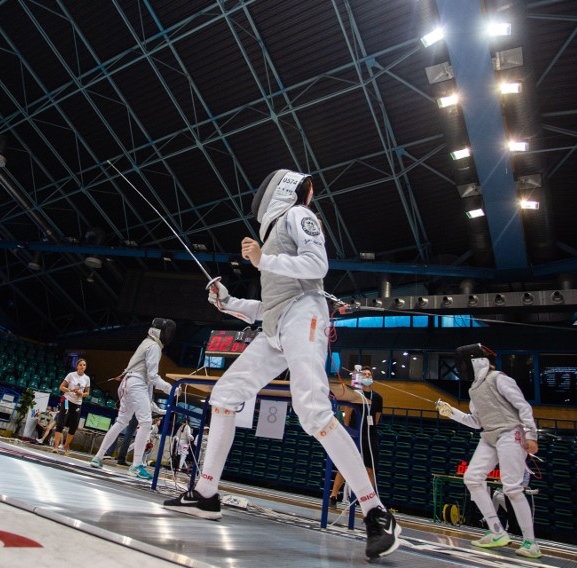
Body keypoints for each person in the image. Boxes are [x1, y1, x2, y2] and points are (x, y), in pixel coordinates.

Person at [162, 170, 400, 560]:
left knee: (313, 412)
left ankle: (376, 512)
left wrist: (262, 258)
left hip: (304, 316)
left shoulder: (295, 217)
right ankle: (206, 493)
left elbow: (317, 265)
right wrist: (227, 302)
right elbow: (268, 307)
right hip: (276, 328)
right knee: (225, 394)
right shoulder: (273, 235)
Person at [436, 343, 542, 559]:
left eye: (463, 362)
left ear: (474, 361)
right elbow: (476, 422)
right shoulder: (474, 389)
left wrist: (531, 435)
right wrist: (452, 413)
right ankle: (496, 531)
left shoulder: (499, 378)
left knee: (512, 488)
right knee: (472, 478)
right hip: (491, 436)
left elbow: (523, 406)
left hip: (511, 433)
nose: (461, 367)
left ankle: (531, 543)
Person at [90, 318, 174, 480]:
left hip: (128, 382)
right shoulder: (154, 347)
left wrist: (160, 409)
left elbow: (148, 390)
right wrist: (170, 388)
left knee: (122, 421)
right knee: (146, 422)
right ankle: (136, 466)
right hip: (136, 383)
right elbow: (152, 377)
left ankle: (98, 457)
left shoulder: (145, 342)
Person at [329, 367, 383, 506]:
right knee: (346, 466)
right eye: (364, 374)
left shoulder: (377, 397)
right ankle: (334, 495)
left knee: (369, 468)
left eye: (369, 374)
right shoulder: (354, 394)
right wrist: (348, 432)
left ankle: (370, 500)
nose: (366, 376)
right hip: (354, 432)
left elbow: (376, 419)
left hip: (369, 436)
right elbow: (348, 413)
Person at [52, 359, 91, 454]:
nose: (82, 366)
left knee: (73, 426)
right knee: (61, 423)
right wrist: (70, 390)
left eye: (84, 365)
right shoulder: (71, 375)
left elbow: (87, 393)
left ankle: (66, 444)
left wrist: (80, 394)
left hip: (77, 403)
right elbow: (61, 387)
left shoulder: (87, 378)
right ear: (77, 366)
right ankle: (56, 446)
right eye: (81, 365)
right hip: (67, 401)